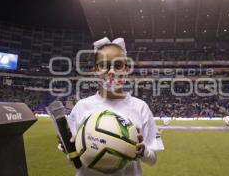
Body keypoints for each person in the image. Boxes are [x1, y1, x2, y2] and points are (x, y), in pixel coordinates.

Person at [66, 37, 164, 176]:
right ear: (95, 70)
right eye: (104, 65)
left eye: (118, 65)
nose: (111, 72)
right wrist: (70, 149)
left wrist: (142, 151)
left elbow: (152, 159)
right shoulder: (81, 107)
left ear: (126, 69)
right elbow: (74, 162)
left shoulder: (140, 107)